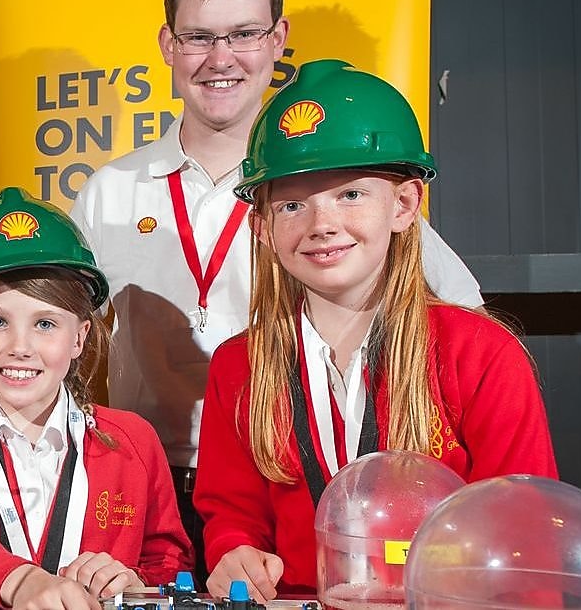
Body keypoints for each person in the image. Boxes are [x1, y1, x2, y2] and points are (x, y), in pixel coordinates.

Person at [67, 0, 483, 580]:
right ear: (168, 46)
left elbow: (459, 311)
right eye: (200, 37)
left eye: (242, 34)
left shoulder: (329, 181)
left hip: (292, 478)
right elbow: (70, 345)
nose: (220, 57)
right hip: (153, 486)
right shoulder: (108, 192)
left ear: (276, 40)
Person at [194, 60, 558, 600]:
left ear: (404, 204)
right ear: (263, 227)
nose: (322, 225)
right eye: (292, 204)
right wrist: (232, 552)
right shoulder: (237, 365)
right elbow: (232, 512)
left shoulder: (480, 354)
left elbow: (526, 537)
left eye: (351, 195)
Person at [0, 187, 193, 610]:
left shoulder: (134, 439)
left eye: (45, 324)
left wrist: (134, 580)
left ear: (79, 337)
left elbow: (169, 560)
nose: (20, 346)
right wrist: (21, 581)